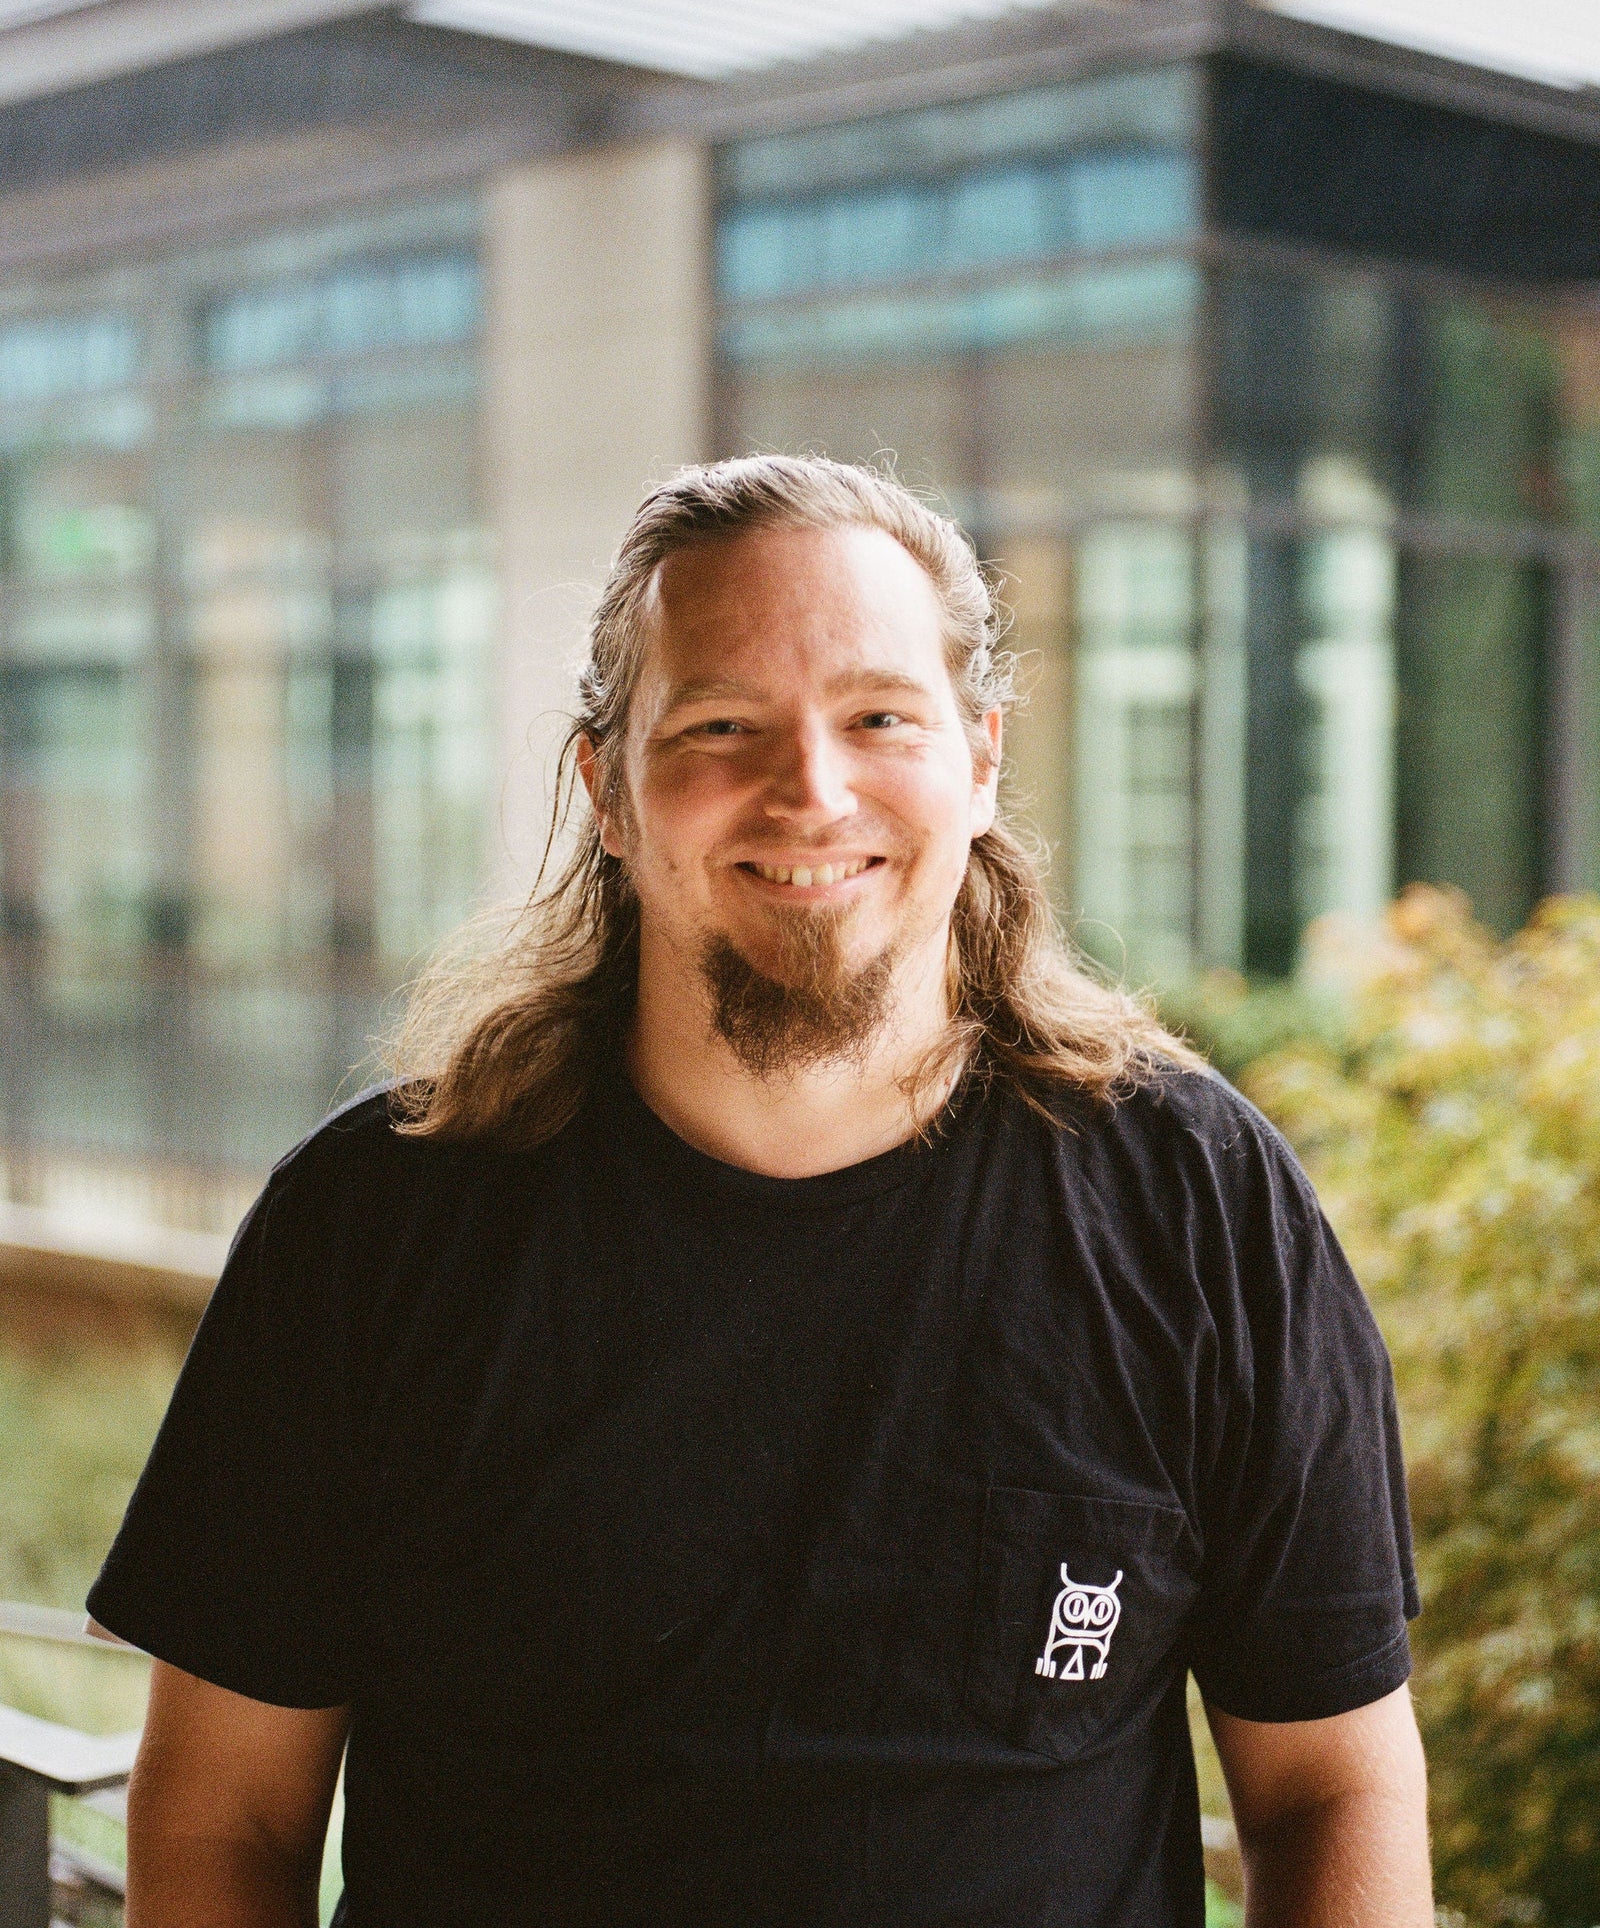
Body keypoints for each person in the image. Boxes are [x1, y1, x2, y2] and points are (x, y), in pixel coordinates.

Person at [90, 456, 1433, 1927]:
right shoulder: (376, 1225)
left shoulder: (1198, 1209)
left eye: (879, 719)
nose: (811, 788)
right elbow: (224, 1814)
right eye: (723, 725)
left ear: (980, 763)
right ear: (608, 788)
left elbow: (1330, 1789)